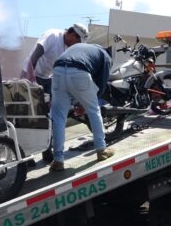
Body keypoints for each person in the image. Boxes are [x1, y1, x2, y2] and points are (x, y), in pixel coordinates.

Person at [49, 43, 114, 171]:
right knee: (94, 111)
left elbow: (70, 84)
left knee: (58, 117)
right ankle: (102, 150)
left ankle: (58, 160)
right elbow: (101, 85)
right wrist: (87, 103)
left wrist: (79, 102)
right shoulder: (106, 56)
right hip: (79, 72)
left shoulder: (82, 48)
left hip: (57, 70)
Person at [20, 23, 89, 93]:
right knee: (28, 101)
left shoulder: (69, 47)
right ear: (73, 35)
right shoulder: (53, 36)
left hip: (47, 78)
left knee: (48, 101)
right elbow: (35, 56)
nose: (76, 45)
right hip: (30, 73)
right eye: (77, 42)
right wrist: (31, 78)